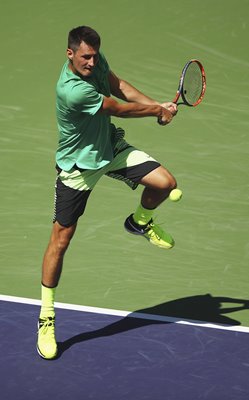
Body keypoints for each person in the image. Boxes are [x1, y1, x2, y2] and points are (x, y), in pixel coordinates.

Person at [37, 26, 178, 360]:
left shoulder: (95, 63)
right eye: (85, 56)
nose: (92, 61)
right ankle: (46, 317)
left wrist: (156, 104)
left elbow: (119, 85)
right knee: (60, 240)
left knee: (165, 183)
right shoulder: (71, 90)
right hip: (79, 167)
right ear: (69, 54)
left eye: (95, 55)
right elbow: (116, 107)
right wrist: (157, 111)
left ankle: (139, 222)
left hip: (109, 148)